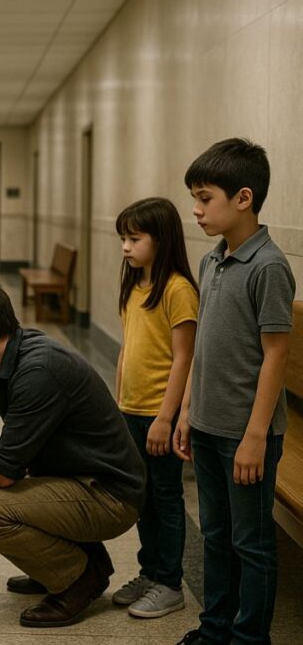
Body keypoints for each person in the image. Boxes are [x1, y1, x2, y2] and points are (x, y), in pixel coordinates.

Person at [0, 280, 146, 628]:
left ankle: (79, 579)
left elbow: (1, 472)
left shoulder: (38, 370)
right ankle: (71, 564)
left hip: (109, 495)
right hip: (75, 482)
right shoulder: (0, 362)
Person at [173, 138, 295, 645]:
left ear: (243, 198)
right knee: (217, 537)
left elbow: (276, 356)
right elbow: (202, 345)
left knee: (252, 543)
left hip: (246, 435)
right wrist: (185, 411)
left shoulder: (268, 266)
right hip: (205, 425)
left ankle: (249, 638)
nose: (196, 210)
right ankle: (214, 628)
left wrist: (254, 437)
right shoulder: (212, 261)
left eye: (205, 198)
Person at [111, 197, 199, 619]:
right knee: (142, 495)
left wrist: (166, 418)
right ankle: (150, 572)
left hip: (158, 414)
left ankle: (169, 582)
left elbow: (184, 357)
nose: (125, 247)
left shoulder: (178, 289)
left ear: (160, 240)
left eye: (134, 238)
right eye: (123, 239)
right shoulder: (134, 285)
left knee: (165, 495)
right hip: (130, 409)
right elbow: (129, 347)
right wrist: (118, 400)